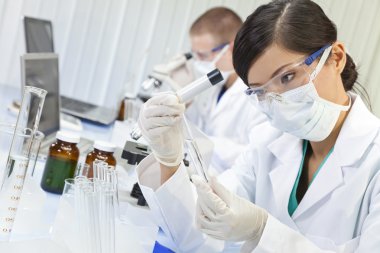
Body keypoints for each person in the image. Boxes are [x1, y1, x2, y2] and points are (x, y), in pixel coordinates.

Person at [136, 0, 380, 252]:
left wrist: (263, 230)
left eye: (287, 77)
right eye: (261, 92)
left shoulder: (374, 160)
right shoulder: (267, 142)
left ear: (336, 58)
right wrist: (168, 161)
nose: (279, 101)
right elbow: (196, 234)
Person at [184, 7, 266, 173]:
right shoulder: (220, 85)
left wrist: (205, 143)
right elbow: (202, 127)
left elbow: (257, 156)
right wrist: (186, 100)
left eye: (203, 55)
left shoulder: (259, 94)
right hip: (204, 174)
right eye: (195, 55)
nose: (198, 62)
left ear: (231, 48)